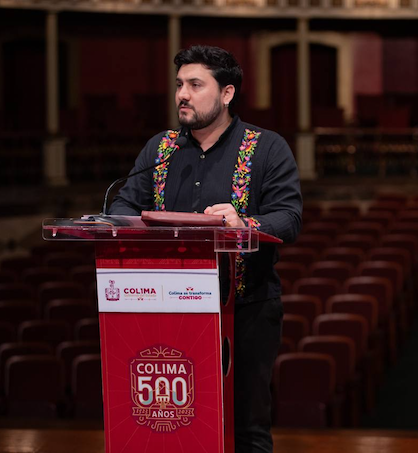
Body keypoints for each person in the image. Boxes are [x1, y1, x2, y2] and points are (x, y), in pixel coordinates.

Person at [109, 45, 302, 453]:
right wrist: (136, 222)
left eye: (196, 85)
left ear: (227, 93)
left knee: (246, 427)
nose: (183, 94)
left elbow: (289, 218)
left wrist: (243, 223)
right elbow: (123, 206)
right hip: (167, 311)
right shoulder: (160, 150)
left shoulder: (266, 147)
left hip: (245, 310)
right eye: (180, 84)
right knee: (174, 425)